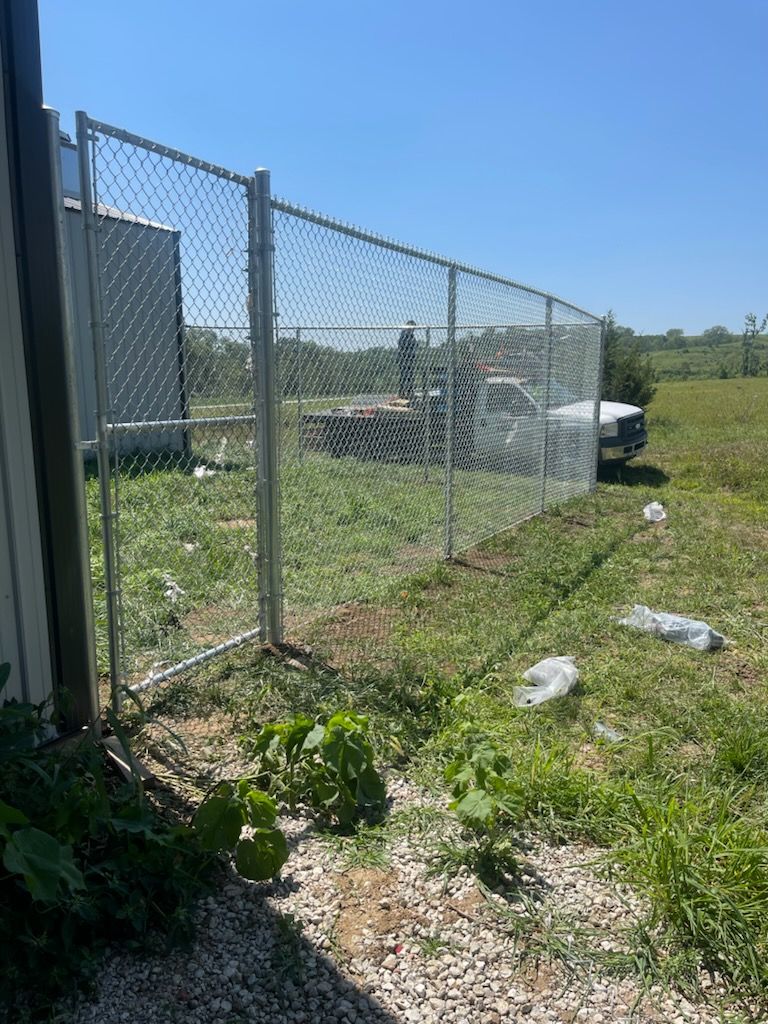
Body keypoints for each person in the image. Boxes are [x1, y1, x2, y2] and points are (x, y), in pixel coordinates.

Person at [396, 320, 417, 399]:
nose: (413, 330)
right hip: (405, 358)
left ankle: (407, 392)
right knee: (405, 376)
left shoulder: (409, 335)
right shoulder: (405, 335)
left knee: (408, 376)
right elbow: (405, 346)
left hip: (409, 358)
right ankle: (406, 392)